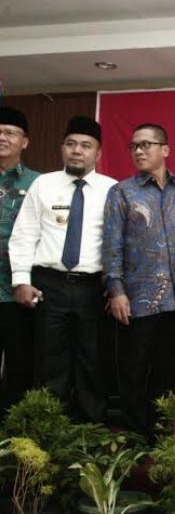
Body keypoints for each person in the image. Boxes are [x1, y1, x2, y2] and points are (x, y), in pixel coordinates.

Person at [9, 116, 116, 422]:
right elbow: (25, 233)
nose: (76, 151)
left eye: (85, 145)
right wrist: (21, 281)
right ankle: (49, 429)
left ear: (98, 153)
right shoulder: (44, 184)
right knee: (49, 361)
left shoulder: (113, 190)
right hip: (48, 285)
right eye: (70, 144)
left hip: (93, 288)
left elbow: (118, 243)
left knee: (92, 361)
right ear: (62, 149)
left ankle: (87, 432)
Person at [103, 123, 175, 436]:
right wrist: (116, 290)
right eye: (135, 146)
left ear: (165, 149)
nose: (140, 151)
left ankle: (160, 434)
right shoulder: (122, 191)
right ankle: (134, 437)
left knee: (167, 372)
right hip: (135, 301)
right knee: (132, 370)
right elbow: (112, 244)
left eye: (147, 144)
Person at [0, 106, 39, 411]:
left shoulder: (39, 184)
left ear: (24, 141)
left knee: (20, 365)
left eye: (10, 133)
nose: (3, 137)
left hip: (18, 290)